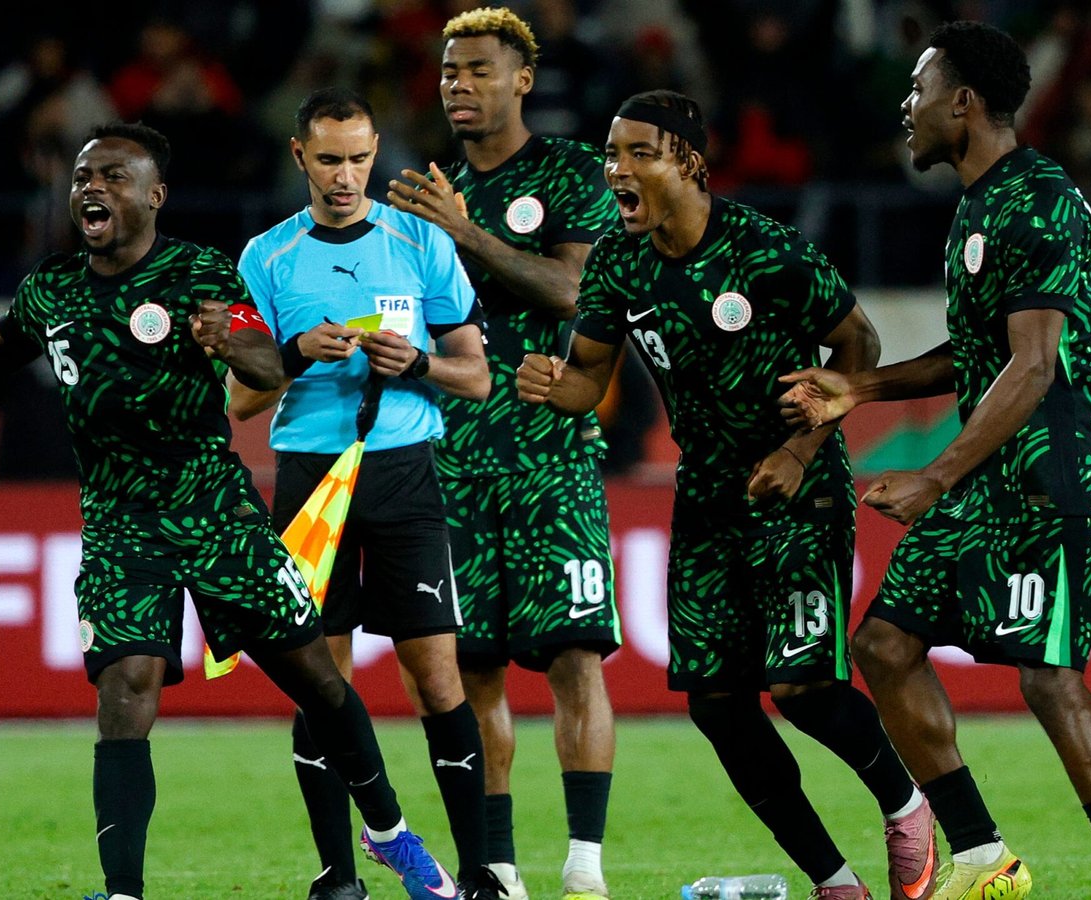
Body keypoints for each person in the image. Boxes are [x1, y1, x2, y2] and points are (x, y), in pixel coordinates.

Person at [0, 122, 453, 900]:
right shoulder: (53, 290)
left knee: (317, 680)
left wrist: (228, 340)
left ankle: (388, 833)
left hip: (214, 510)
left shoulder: (200, 273)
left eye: (113, 176)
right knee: (125, 690)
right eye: (84, 176)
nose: (92, 188)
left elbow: (261, 366)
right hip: (120, 523)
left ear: (155, 195)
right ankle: (123, 893)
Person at [781, 22, 1091, 900]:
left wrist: (936, 475)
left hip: (1053, 477)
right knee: (884, 644)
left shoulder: (1035, 197)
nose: (906, 106)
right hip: (993, 477)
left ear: (963, 102)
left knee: (1051, 681)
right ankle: (982, 859)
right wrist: (862, 390)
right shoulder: (980, 204)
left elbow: (1033, 364)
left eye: (919, 89)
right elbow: (976, 352)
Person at [517, 90, 932, 900]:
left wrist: (801, 445)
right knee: (717, 704)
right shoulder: (616, 263)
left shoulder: (763, 249)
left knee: (803, 689)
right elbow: (590, 380)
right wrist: (553, 385)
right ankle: (835, 881)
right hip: (707, 497)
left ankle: (907, 805)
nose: (616, 170)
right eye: (611, 154)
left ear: (688, 162)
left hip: (798, 489)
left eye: (637, 152)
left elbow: (860, 342)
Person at [227, 89, 500, 900]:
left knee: (437, 676)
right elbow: (241, 399)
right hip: (311, 478)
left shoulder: (419, 240)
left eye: (358, 159)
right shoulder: (265, 258)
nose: (344, 176)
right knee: (322, 680)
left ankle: (481, 871)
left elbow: (477, 378)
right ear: (298, 156)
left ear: (375, 152)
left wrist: (415, 364)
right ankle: (339, 875)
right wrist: (294, 353)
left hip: (405, 471)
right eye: (328, 159)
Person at [384, 8, 620, 899]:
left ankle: (586, 867)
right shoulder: (416, 197)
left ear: (522, 79)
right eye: (449, 72)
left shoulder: (566, 173)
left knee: (573, 659)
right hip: (446, 461)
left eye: (478, 69)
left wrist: (470, 234)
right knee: (470, 669)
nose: (459, 85)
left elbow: (579, 292)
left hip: (550, 454)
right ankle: (498, 870)